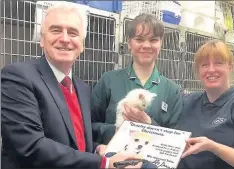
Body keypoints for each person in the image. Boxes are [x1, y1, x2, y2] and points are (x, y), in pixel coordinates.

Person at [1, 4, 142, 169]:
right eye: (56, 30)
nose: (65, 39)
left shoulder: (82, 88)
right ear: (41, 40)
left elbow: (76, 141)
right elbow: (31, 145)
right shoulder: (18, 77)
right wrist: (104, 163)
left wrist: (97, 148)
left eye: (73, 33)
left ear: (81, 45)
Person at [176, 40, 234, 169]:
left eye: (218, 63)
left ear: (230, 67)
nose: (211, 70)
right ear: (198, 70)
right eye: (204, 65)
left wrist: (214, 147)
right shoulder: (187, 102)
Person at [91, 13, 183, 146]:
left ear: (161, 43)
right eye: (139, 39)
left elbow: (176, 140)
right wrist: (115, 130)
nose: (146, 45)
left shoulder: (172, 90)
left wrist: (149, 125)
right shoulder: (109, 80)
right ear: (129, 43)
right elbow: (88, 127)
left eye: (153, 40)